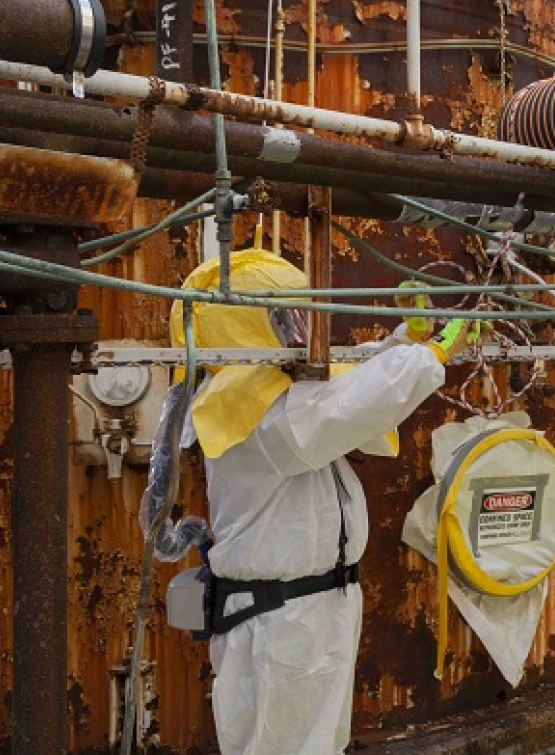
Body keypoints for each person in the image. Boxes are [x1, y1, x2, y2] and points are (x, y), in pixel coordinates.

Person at [169, 248, 472, 755]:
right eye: (281, 315)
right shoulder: (244, 413)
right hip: (279, 621)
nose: (296, 328)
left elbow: (344, 384)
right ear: (242, 324)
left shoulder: (273, 398)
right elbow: (343, 410)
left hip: (311, 610)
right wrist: (429, 355)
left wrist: (405, 340)